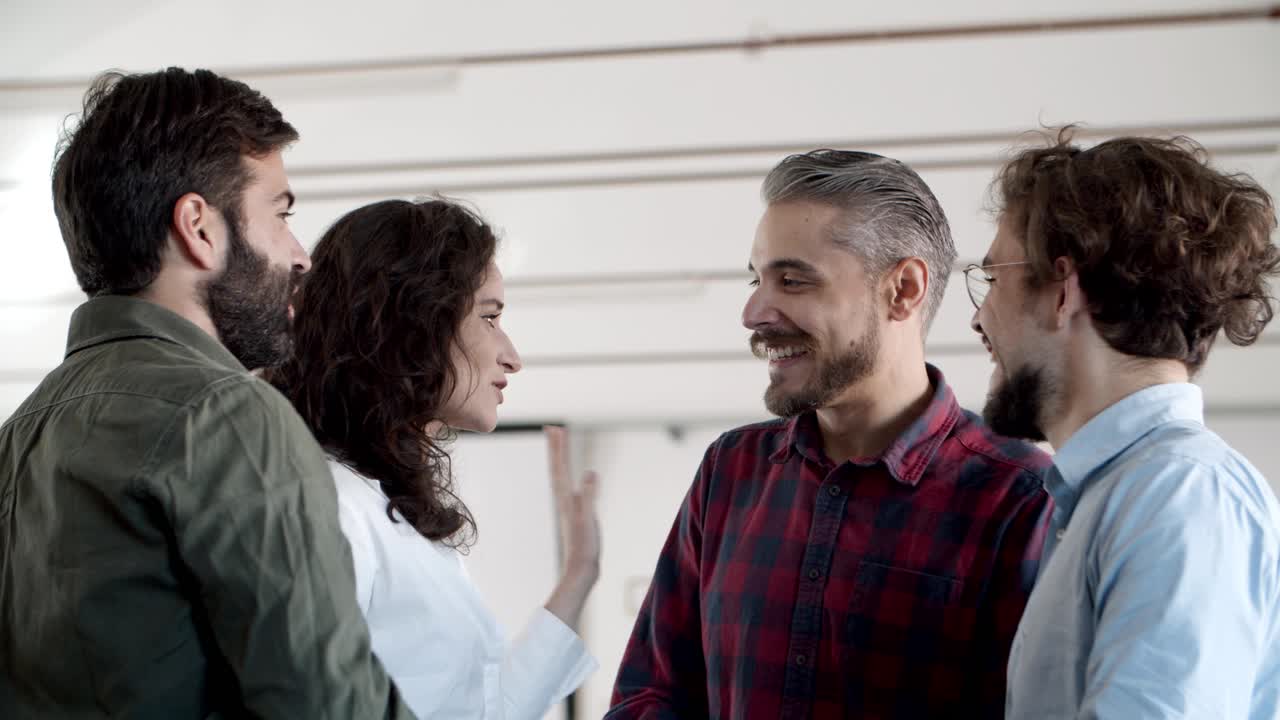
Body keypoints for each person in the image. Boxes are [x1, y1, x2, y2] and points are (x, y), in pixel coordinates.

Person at [0, 68, 412, 718]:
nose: (300, 255)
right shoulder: (229, 416)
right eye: (280, 213)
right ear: (199, 226)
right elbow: (328, 707)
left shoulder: (16, 439)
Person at [607, 150, 1053, 719]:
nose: (753, 312)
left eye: (792, 280)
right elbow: (653, 691)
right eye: (757, 280)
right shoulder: (731, 469)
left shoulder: (1019, 498)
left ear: (903, 289)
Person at [970, 130, 1280, 718]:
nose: (978, 318)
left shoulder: (1180, 494)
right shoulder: (1121, 493)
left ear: (1062, 291)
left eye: (993, 279)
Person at [268, 198, 600, 719]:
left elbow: (483, 713)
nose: (512, 356)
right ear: (414, 326)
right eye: (489, 317)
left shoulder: (383, 511)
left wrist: (579, 572)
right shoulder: (335, 507)